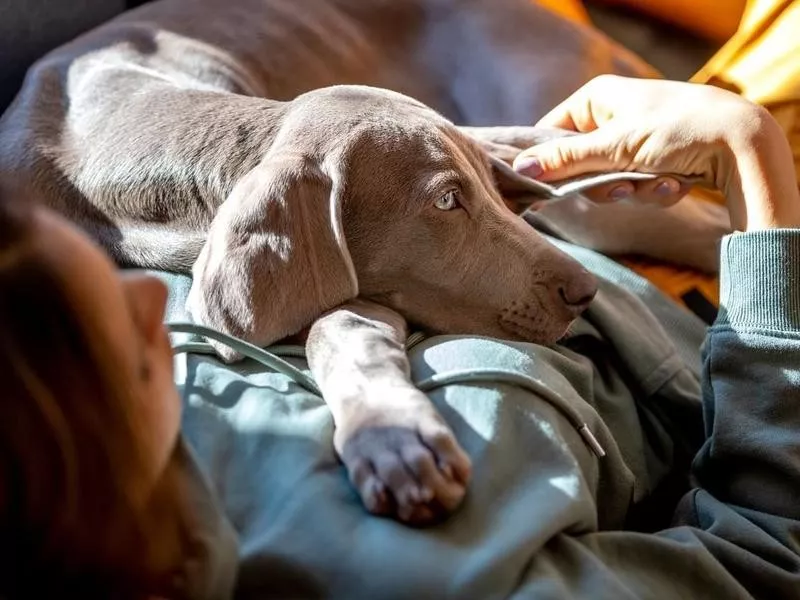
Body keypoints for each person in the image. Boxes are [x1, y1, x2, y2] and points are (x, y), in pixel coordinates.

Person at [1, 74, 799, 598]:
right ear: (71, 451)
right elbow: (766, 559)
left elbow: (333, 239)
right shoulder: (406, 576)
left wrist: (356, 360)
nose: (151, 298)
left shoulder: (156, 406)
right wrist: (749, 155)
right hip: (737, 344)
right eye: (125, 340)